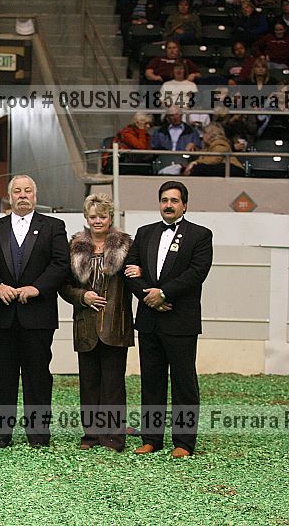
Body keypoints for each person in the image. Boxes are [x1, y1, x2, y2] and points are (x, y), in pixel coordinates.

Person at [124, 181, 213, 458]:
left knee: (184, 383)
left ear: (185, 205)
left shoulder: (200, 235)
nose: (169, 205)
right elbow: (130, 271)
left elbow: (196, 272)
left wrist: (162, 293)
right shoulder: (144, 233)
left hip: (180, 320)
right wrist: (148, 296)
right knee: (151, 382)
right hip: (149, 320)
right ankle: (151, 438)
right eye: (164, 200)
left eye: (174, 200)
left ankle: (184, 442)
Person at [0, 175, 69, 448]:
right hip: (2, 315)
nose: (22, 195)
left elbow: (60, 264)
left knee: (38, 376)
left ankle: (39, 435)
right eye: (17, 191)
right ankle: (1, 435)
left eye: (27, 191)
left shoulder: (53, 226)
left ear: (35, 195)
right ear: (9, 196)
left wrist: (37, 288)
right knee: (1, 377)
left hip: (38, 315)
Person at [59, 194, 135, 452]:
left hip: (116, 323)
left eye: (102, 216)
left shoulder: (127, 245)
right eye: (93, 216)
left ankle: (113, 437)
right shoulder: (74, 247)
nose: (98, 221)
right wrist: (82, 296)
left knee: (113, 384)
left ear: (110, 217)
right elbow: (63, 286)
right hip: (85, 324)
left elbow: (136, 278)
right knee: (89, 383)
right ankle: (91, 435)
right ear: (86, 218)